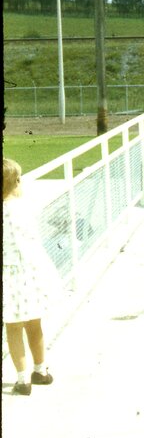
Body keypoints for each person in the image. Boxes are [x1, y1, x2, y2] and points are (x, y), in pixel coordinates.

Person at [3, 158, 57, 396]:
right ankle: (41, 371)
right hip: (30, 274)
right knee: (35, 324)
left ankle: (23, 379)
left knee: (13, 327)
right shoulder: (23, 208)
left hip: (8, 277)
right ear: (16, 183)